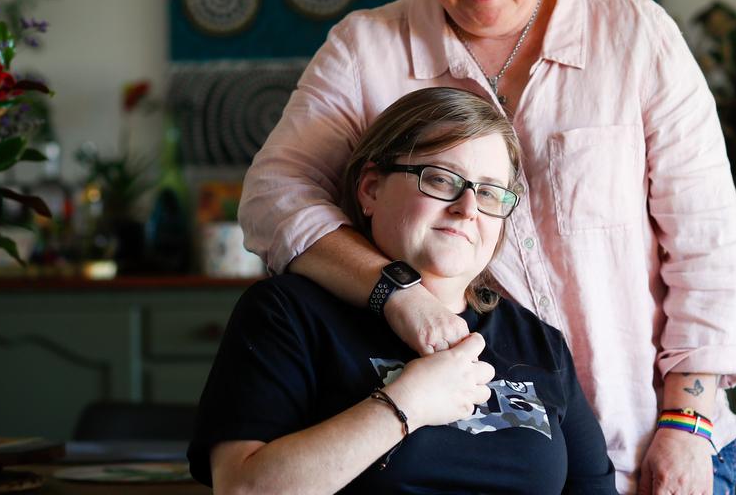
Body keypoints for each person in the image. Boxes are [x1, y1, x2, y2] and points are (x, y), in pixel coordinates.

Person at [239, 0, 736, 495]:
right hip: (482, 465)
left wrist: (687, 424)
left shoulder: (636, 37)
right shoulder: (366, 51)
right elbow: (273, 199)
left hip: (657, 445)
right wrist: (395, 293)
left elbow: (709, 251)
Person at [189, 87, 617, 493]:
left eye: (489, 192)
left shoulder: (539, 344)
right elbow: (243, 487)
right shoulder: (287, 313)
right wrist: (406, 404)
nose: (468, 208)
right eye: (441, 179)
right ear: (370, 189)